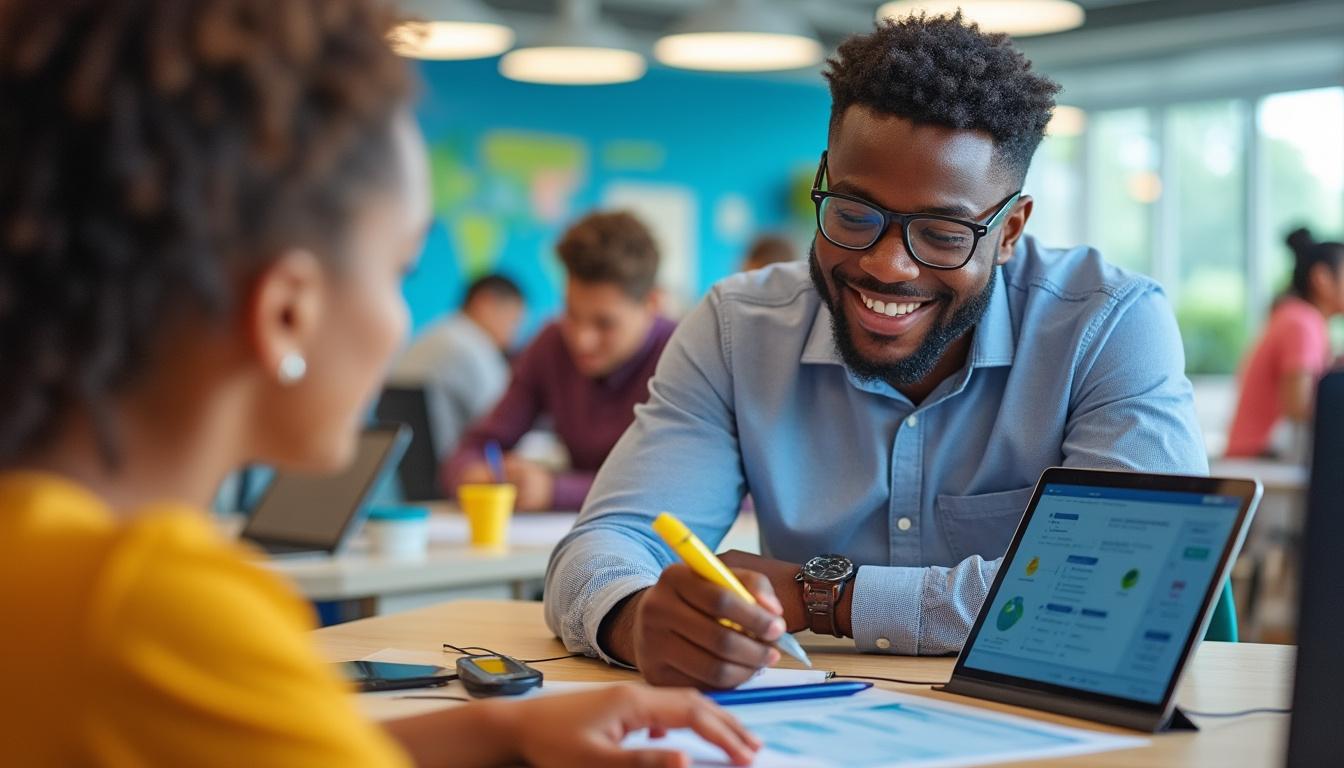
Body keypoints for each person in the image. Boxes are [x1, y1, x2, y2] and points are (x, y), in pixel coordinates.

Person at [0, 2, 760, 766]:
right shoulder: (159, 612)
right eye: (399, 270)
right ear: (288, 312)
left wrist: (502, 729)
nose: (404, 321)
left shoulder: (58, 570)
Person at [544, 12, 1206, 690]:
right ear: (824, 181)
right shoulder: (737, 328)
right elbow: (604, 546)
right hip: (807, 728)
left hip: (1052, 725)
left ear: (1009, 230)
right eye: (854, 215)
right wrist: (636, 617)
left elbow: (1132, 586)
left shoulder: (1108, 325)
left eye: (945, 232)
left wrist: (822, 596)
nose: (888, 266)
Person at [445, 211, 675, 511]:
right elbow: (476, 446)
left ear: (652, 304)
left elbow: (682, 486)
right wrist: (474, 473)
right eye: (572, 314)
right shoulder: (551, 343)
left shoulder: (684, 355)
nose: (581, 339)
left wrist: (555, 491)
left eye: (604, 323)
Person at [1225, 228, 1344, 458]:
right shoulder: (1302, 323)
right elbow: (1299, 409)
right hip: (1260, 461)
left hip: (1261, 457)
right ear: (1321, 278)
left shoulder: (1297, 317)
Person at [387, 274, 525, 456]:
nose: (514, 335)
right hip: (455, 468)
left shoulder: (433, 335)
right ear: (484, 303)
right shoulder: (473, 348)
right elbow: (503, 424)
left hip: (411, 471)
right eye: (513, 320)